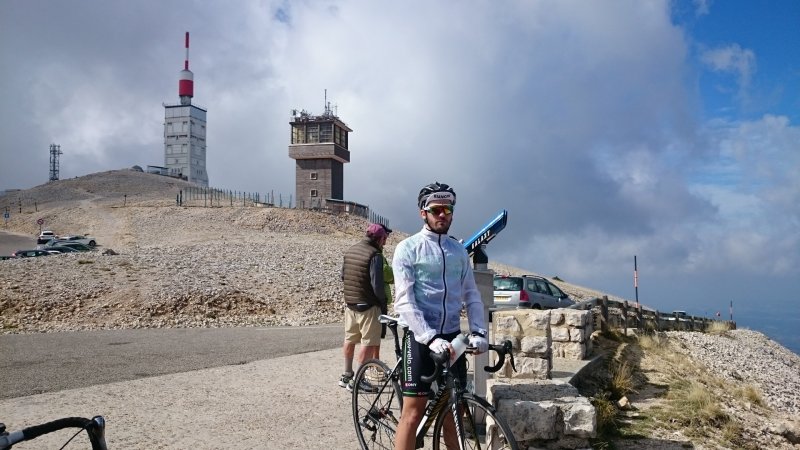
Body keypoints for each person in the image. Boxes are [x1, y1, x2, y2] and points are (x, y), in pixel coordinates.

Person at [391, 182, 489, 450]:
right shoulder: (408, 248)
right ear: (423, 213)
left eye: (448, 208)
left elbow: (471, 295)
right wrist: (429, 336)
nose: (443, 214)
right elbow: (404, 300)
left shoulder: (458, 251)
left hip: (452, 338)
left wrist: (479, 332)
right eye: (436, 209)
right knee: (413, 413)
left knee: (452, 413)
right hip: (421, 338)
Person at [340, 223, 389, 391]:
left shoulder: (350, 250)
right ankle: (358, 381)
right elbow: (377, 285)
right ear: (378, 239)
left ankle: (347, 375)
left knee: (349, 339)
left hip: (350, 304)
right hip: (368, 306)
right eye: (384, 239)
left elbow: (342, 276)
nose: (385, 243)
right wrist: (383, 302)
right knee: (368, 343)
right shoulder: (374, 255)